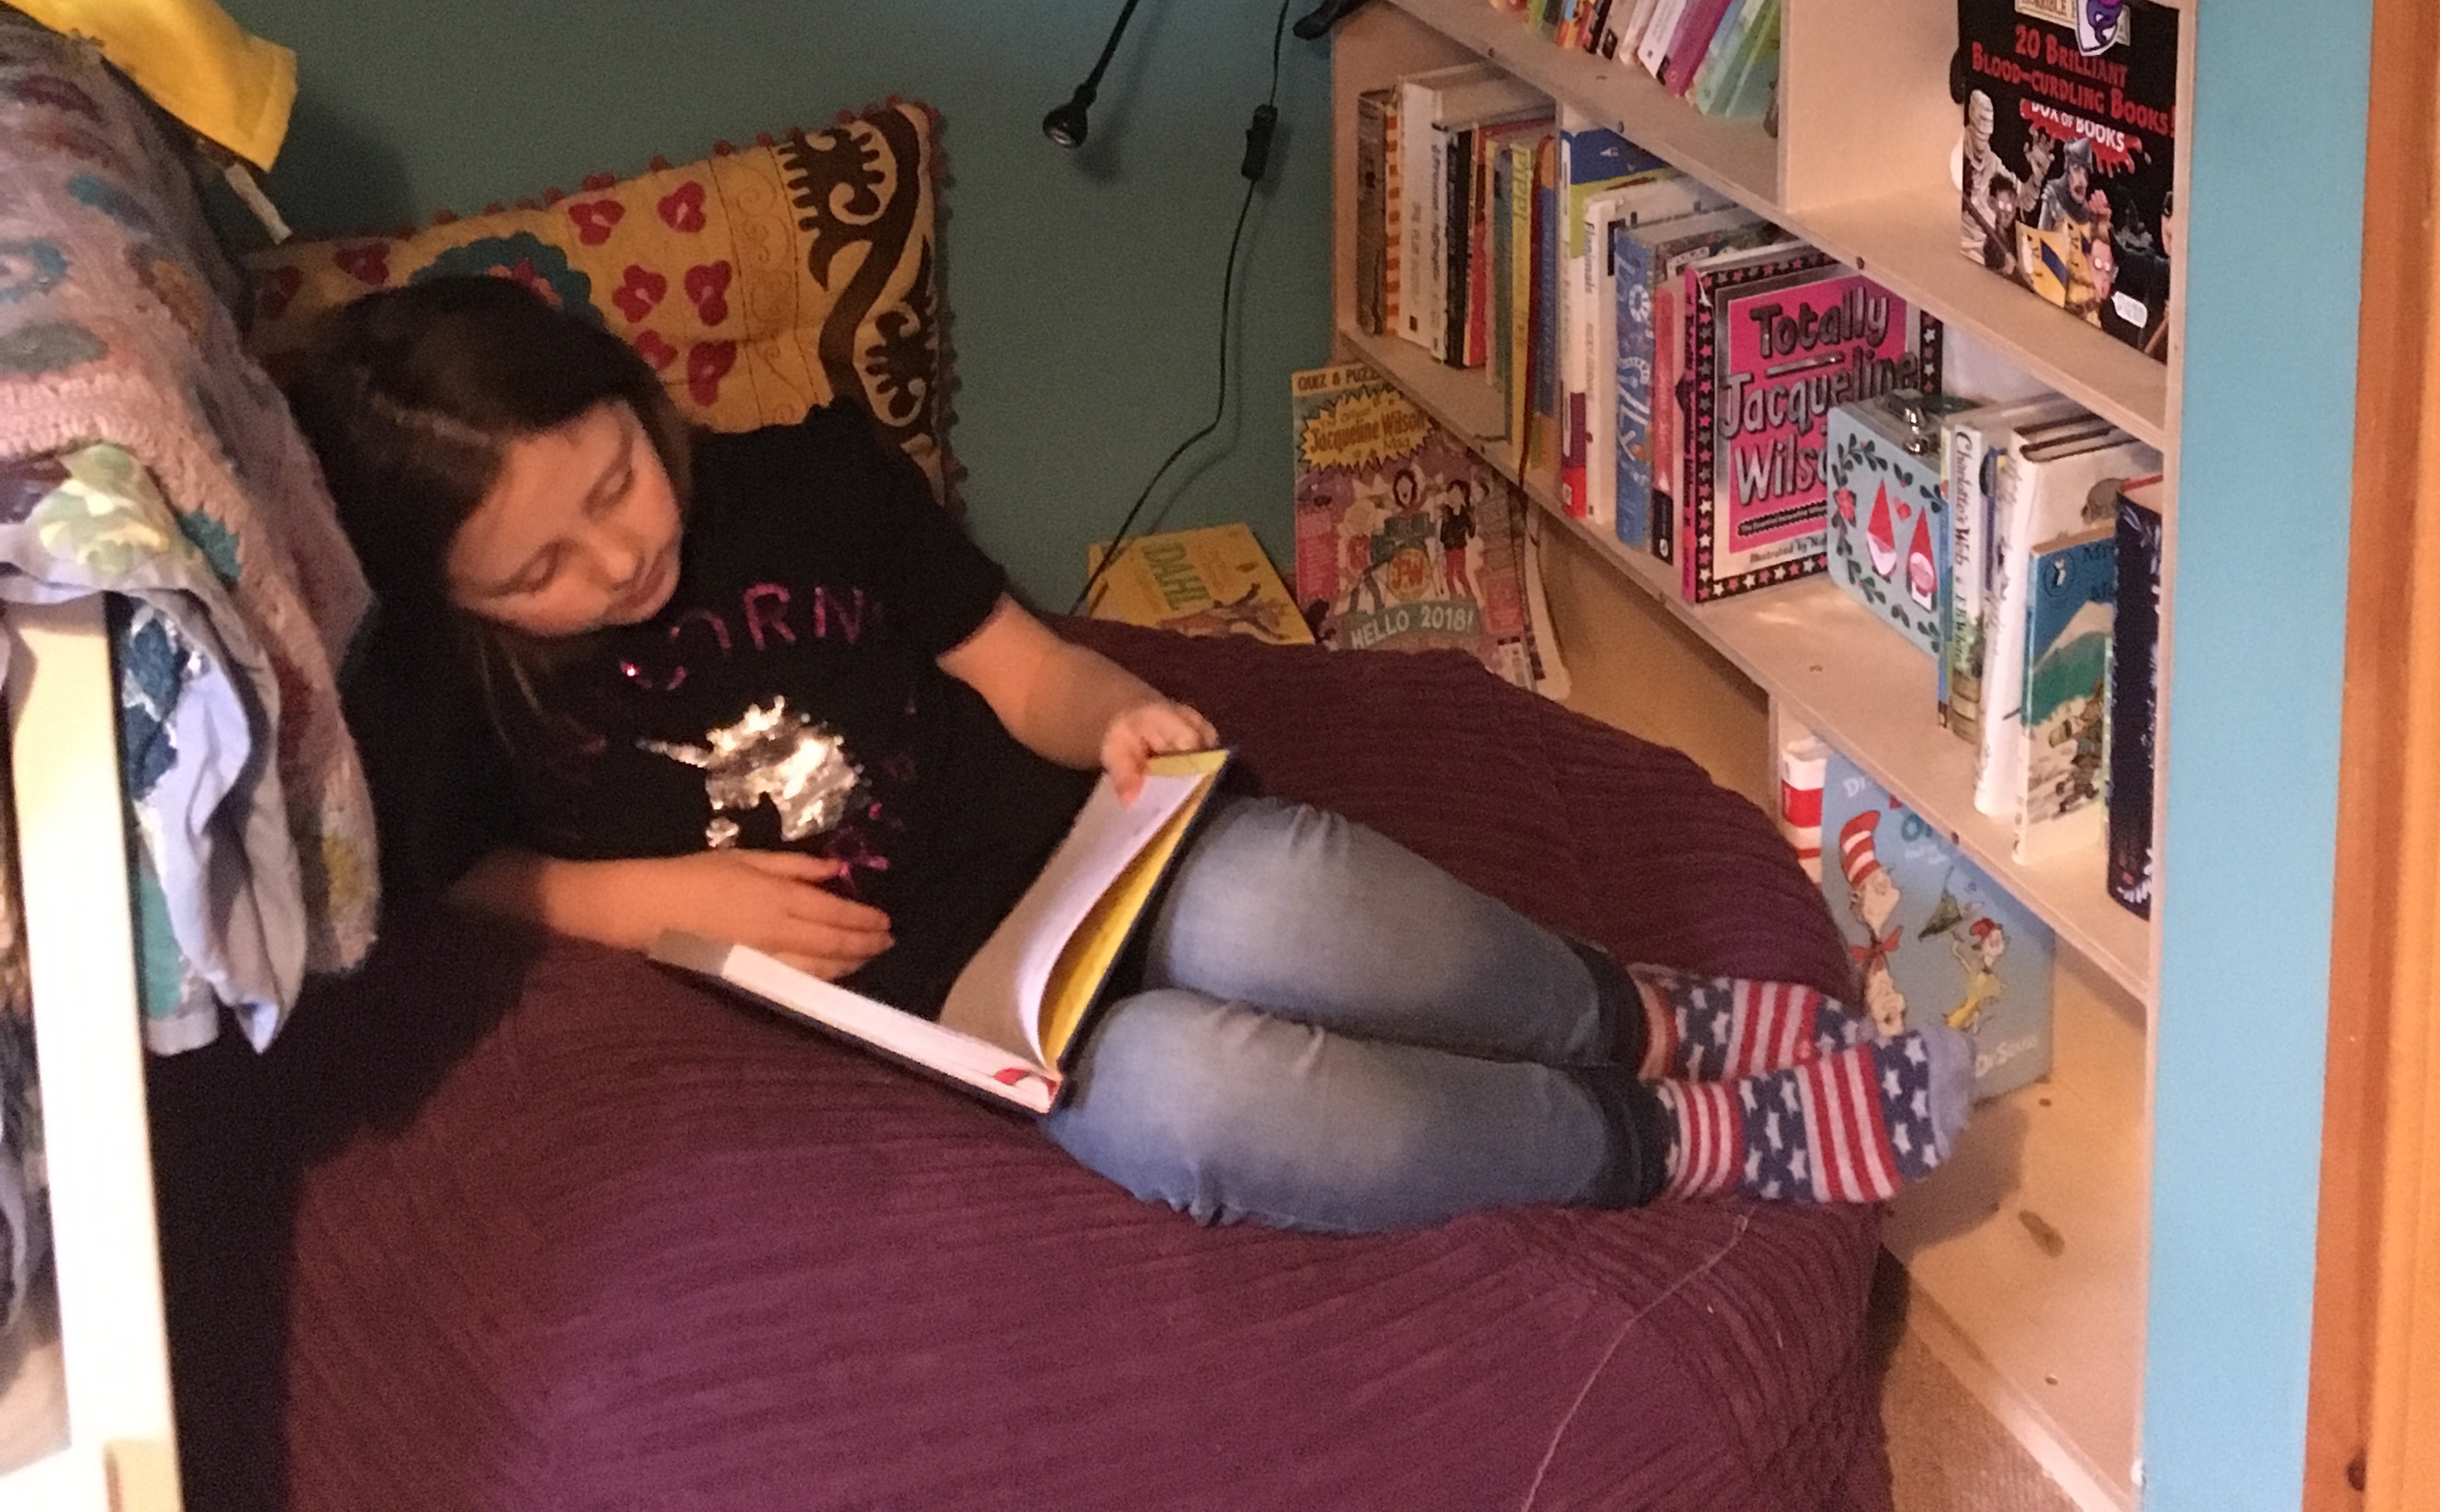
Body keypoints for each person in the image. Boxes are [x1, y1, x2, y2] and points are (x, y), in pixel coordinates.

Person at [292, 271, 1969, 1234]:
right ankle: (1666, 1145)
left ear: (633, 394)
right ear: (449, 595)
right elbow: (447, 881)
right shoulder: (455, 701)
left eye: (615, 483)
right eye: (540, 571)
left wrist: (1116, 718)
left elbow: (1021, 666)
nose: (617, 559)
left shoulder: (804, 484)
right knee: (1191, 1104)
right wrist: (645, 898)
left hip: (1091, 859)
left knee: (1289, 900)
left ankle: (1640, 1019)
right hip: (968, 1018)